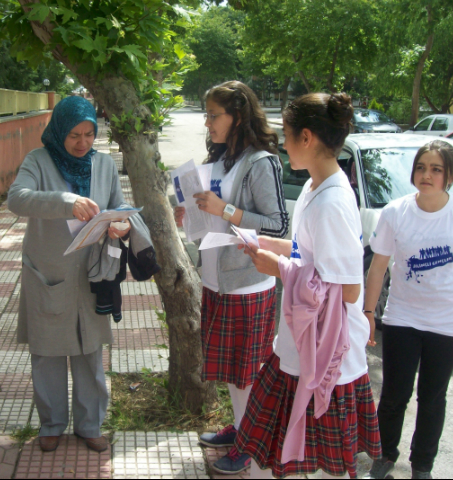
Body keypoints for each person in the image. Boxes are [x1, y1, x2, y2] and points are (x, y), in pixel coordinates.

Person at [214, 93, 382, 478]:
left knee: (311, 468)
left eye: (286, 135)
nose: (281, 144)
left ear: (306, 138)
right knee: (274, 461)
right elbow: (313, 255)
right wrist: (277, 248)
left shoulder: (332, 203)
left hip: (324, 360)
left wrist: (280, 269)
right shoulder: (314, 188)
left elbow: (349, 292)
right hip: (299, 346)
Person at [174, 80, 289, 471]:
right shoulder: (222, 160)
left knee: (247, 375)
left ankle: (251, 445)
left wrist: (225, 210)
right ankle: (241, 431)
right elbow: (214, 219)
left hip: (248, 283)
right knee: (232, 373)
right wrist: (191, 215)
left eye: (213, 115)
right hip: (216, 279)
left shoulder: (261, 161)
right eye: (206, 115)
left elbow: (275, 225)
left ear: (237, 116)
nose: (207, 123)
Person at [7, 95, 131, 454]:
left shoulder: (104, 164)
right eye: (74, 135)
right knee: (47, 351)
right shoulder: (38, 160)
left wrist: (120, 224)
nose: (82, 143)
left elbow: (116, 204)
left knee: (90, 352)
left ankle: (90, 424)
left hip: (91, 274)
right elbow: (17, 199)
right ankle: (51, 424)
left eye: (89, 134)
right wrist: (65, 201)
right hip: (49, 272)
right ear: (59, 131)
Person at [364, 140, 453, 480]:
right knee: (394, 395)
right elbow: (378, 267)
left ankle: (422, 467)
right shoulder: (395, 211)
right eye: (422, 167)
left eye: (436, 169)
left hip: (449, 323)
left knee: (432, 398)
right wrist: (367, 313)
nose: (427, 175)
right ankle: (383, 458)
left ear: (450, 176)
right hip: (402, 319)